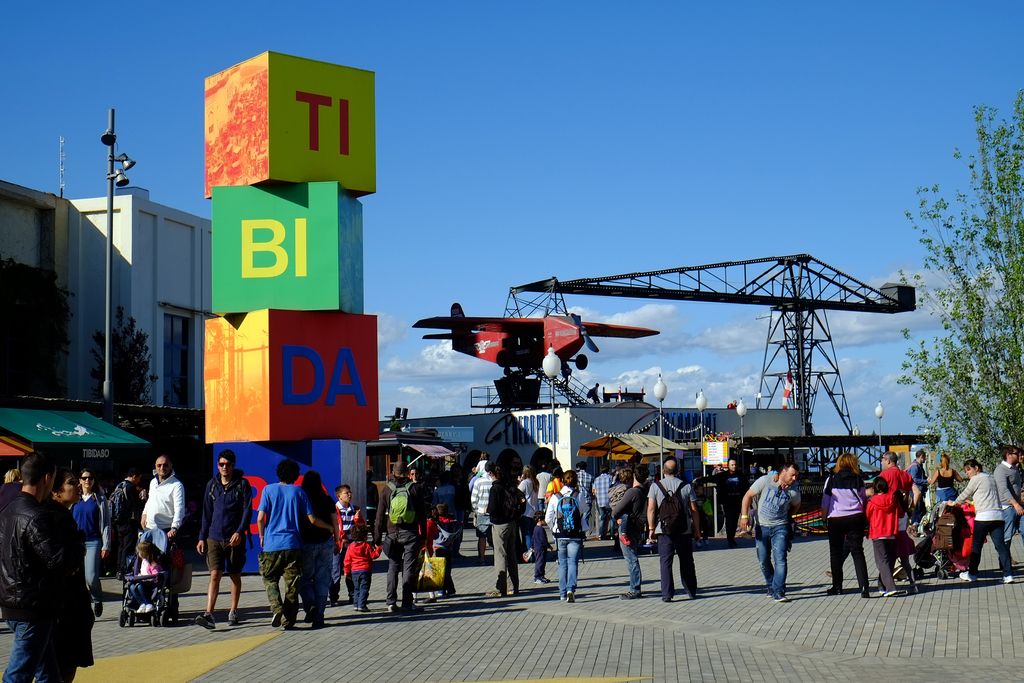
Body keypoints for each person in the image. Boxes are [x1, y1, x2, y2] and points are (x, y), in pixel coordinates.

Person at [0, 452, 75, 683]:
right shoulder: (35, 515)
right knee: (18, 674)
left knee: (48, 672)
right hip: (31, 606)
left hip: (15, 600)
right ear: (46, 479)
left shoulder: (9, 510)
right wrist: (78, 548)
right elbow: (60, 560)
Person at [257, 459, 336, 629]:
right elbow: (312, 519)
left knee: (270, 578)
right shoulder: (299, 493)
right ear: (294, 475)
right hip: (293, 544)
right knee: (292, 584)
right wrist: (329, 528)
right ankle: (289, 620)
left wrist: (262, 536)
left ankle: (277, 608)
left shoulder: (268, 490)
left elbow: (260, 518)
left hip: (271, 543)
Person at [195, 449, 253, 630]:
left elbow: (247, 510)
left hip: (234, 538)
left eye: (227, 464)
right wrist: (201, 537)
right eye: (221, 464)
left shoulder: (242, 485)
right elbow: (206, 513)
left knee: (235, 574)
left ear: (233, 465)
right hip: (214, 537)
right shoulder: (211, 485)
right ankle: (209, 614)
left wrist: (239, 531)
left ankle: (233, 610)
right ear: (217, 466)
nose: (224, 467)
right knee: (215, 574)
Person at [48, 468, 93, 683]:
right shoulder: (54, 518)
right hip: (65, 604)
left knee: (66, 660)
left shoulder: (66, 514)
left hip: (71, 601)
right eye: (71, 482)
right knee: (64, 660)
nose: (77, 485)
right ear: (55, 491)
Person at [740, 462, 801, 602]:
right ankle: (771, 585)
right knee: (763, 560)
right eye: (792, 475)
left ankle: (779, 591)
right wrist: (744, 516)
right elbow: (747, 496)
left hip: (780, 527)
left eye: (796, 476)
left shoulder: (794, 490)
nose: (794, 478)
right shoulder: (766, 481)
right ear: (783, 472)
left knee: (780, 559)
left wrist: (788, 516)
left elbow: (797, 505)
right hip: (762, 526)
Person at [373, 461, 428, 614]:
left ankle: (390, 602)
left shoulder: (386, 490)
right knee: (408, 568)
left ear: (393, 472)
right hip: (411, 533)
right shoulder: (415, 488)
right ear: (407, 472)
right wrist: (423, 535)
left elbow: (379, 516)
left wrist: (377, 538)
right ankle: (407, 603)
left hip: (392, 533)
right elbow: (422, 515)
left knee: (392, 567)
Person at [951, 458, 1014, 584]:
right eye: (966, 471)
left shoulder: (976, 478)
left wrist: (953, 503)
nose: (967, 473)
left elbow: (965, 493)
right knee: (1001, 546)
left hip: (984, 517)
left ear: (976, 468)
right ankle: (1008, 575)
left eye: (969, 469)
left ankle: (973, 574)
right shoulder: (990, 478)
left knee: (976, 547)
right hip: (998, 516)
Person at [647, 458, 701, 602]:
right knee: (686, 561)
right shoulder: (686, 486)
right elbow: (694, 510)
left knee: (665, 562)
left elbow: (651, 509)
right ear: (678, 471)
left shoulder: (655, 486)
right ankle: (690, 590)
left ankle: (667, 594)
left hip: (664, 530)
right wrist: (697, 530)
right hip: (684, 529)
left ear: (663, 470)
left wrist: (651, 528)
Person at [821, 453, 870, 597]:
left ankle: (837, 587)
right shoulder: (858, 479)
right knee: (857, 552)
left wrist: (824, 519)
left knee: (835, 553)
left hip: (836, 519)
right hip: (855, 518)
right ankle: (864, 587)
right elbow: (863, 499)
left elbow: (825, 501)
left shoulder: (831, 479)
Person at [299, 470, 339, 629]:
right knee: (323, 580)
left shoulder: (301, 498)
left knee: (304, 579)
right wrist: (337, 539)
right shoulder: (327, 498)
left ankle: (310, 604)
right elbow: (335, 522)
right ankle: (319, 616)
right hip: (325, 542)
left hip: (306, 543)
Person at [71, 467, 110, 617]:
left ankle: (97, 598)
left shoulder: (99, 498)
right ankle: (81, 604)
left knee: (91, 576)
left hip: (93, 541)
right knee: (77, 577)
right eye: (85, 478)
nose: (88, 481)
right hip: (76, 542)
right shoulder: (75, 498)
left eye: (91, 478)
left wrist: (106, 544)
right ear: (79, 481)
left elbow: (106, 522)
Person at [545, 469, 588, 602]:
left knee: (562, 563)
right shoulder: (578, 495)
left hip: (560, 535)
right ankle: (571, 589)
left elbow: (548, 518)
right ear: (575, 481)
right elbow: (584, 511)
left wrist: (554, 529)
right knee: (573, 562)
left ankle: (562, 593)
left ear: (562, 481)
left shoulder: (555, 496)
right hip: (575, 535)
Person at [486, 465, 524, 597]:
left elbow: (492, 508)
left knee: (500, 555)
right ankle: (514, 586)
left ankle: (501, 587)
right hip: (512, 523)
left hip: (499, 525)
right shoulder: (510, 486)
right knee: (512, 555)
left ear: (492, 474)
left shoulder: (495, 488)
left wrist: (487, 510)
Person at [865, 477, 905, 597]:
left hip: (877, 532)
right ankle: (882, 585)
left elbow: (867, 515)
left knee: (882, 561)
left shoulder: (872, 501)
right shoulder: (893, 499)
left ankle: (890, 587)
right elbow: (901, 513)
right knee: (890, 559)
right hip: (891, 532)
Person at [613, 466, 647, 599]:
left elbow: (616, 511)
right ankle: (635, 587)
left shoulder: (632, 492)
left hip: (628, 528)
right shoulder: (644, 490)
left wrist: (616, 517)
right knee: (632, 557)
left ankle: (635, 589)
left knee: (631, 559)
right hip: (637, 527)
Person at [109, 468, 145, 580]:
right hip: (128, 522)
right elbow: (135, 505)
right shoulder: (130, 487)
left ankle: (118, 569)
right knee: (128, 547)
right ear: (134, 476)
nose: (138, 481)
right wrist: (142, 498)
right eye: (138, 478)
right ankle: (124, 570)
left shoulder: (119, 485)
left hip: (118, 522)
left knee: (120, 546)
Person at [330, 484, 362, 606]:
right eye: (346, 493)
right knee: (336, 572)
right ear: (339, 496)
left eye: (350, 492)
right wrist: (337, 541)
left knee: (351, 571)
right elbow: (333, 528)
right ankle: (333, 597)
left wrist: (357, 519)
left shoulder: (355, 509)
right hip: (338, 546)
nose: (350, 495)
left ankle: (353, 595)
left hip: (351, 546)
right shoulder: (334, 510)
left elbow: (360, 529)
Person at [141, 454, 185, 540]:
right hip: (149, 528)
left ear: (171, 466)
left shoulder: (177, 485)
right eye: (159, 465)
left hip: (166, 531)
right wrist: (144, 514)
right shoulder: (153, 482)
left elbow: (179, 509)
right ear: (155, 466)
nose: (162, 468)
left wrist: (174, 527)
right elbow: (150, 500)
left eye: (165, 465)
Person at [993, 444, 1024, 558]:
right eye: (1017, 453)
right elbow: (1003, 489)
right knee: (1007, 536)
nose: (1019, 455)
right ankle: (1004, 561)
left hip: (1019, 506)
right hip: (1008, 508)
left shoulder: (1015, 469)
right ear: (1008, 455)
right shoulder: (1000, 470)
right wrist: (1015, 504)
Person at [343, 523, 381, 612]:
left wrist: (346, 571)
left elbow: (347, 560)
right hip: (365, 570)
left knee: (356, 588)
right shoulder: (366, 545)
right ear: (365, 536)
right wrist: (378, 549)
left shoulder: (350, 546)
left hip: (354, 571)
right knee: (364, 588)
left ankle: (356, 604)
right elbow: (373, 555)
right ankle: (362, 605)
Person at [712, 459, 749, 547]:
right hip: (727, 501)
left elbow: (746, 486)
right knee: (729, 520)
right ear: (728, 466)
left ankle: (731, 537)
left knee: (735, 520)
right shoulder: (724, 475)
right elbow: (712, 478)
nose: (734, 466)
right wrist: (700, 479)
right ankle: (730, 539)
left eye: (735, 464)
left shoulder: (741, 475)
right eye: (732, 465)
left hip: (737, 501)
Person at [425, 503, 459, 597]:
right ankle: (451, 590)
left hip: (438, 547)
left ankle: (442, 590)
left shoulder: (436, 522)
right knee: (447, 570)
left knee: (441, 571)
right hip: (449, 547)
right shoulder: (452, 521)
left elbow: (435, 535)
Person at [127, 539, 163, 613]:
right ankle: (142, 603)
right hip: (143, 581)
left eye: (139, 552)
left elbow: (156, 575)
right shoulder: (143, 562)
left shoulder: (153, 564)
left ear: (143, 553)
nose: (138, 554)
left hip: (151, 584)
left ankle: (149, 603)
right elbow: (142, 572)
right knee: (131, 586)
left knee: (140, 586)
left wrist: (146, 577)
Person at [470, 461, 495, 565]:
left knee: (482, 536)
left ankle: (482, 559)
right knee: (494, 537)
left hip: (481, 512)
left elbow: (473, 499)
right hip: (494, 513)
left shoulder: (478, 481)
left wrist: (476, 510)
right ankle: (496, 558)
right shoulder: (494, 481)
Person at [518, 466, 539, 559]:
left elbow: (517, 493)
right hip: (534, 511)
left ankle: (530, 556)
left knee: (527, 535)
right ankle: (531, 554)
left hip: (526, 512)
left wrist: (519, 481)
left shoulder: (524, 483)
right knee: (531, 534)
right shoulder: (535, 482)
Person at [907, 450, 929, 526]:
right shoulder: (915, 467)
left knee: (921, 509)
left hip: (919, 491)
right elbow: (914, 479)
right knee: (917, 509)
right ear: (921, 457)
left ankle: (917, 525)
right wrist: (926, 481)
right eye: (925, 457)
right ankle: (914, 525)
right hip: (916, 492)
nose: (925, 459)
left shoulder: (918, 466)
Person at [592, 465, 614, 540]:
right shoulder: (610, 478)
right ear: (608, 470)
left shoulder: (596, 479)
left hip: (600, 501)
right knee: (612, 518)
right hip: (609, 500)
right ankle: (612, 534)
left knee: (602, 518)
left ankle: (601, 535)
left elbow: (594, 491)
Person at [531, 510, 552, 584]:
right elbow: (543, 540)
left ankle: (541, 576)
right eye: (544, 519)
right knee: (540, 563)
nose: (545, 521)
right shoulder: (541, 529)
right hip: (541, 549)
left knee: (541, 562)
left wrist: (532, 546)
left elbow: (533, 538)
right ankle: (537, 577)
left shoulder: (535, 528)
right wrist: (549, 546)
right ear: (540, 520)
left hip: (537, 548)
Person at [574, 462, 594, 531]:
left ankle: (579, 530)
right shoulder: (590, 476)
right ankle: (583, 532)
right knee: (585, 516)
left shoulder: (575, 476)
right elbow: (592, 489)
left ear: (579, 467)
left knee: (578, 515)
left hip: (577, 498)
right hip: (587, 498)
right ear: (586, 467)